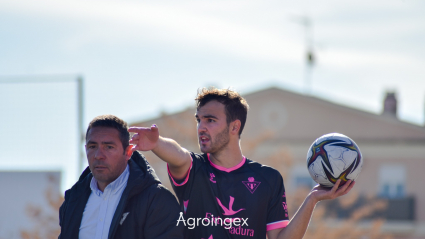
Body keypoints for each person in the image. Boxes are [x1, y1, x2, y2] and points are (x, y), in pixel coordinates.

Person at [129, 88, 355, 239]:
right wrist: (157, 142)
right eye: (199, 120)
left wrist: (312, 199)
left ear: (234, 127)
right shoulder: (194, 169)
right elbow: (177, 153)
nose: (201, 128)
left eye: (210, 120)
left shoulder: (268, 178)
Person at [58, 115, 183, 239]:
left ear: (128, 152)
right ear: (86, 150)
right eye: (92, 147)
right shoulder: (72, 202)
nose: (98, 155)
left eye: (109, 147)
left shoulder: (156, 200)